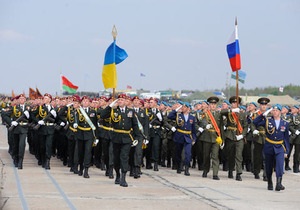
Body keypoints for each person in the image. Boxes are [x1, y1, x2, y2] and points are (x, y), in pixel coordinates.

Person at [253, 104, 290, 191]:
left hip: (279, 147)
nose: (274, 112)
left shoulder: (285, 123)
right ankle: (270, 182)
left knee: (280, 165)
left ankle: (279, 183)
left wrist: (286, 151)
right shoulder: (267, 121)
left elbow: (286, 139)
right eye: (273, 110)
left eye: (276, 110)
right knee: (269, 166)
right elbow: (255, 122)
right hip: (269, 146)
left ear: (280, 112)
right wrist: (263, 114)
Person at [108, 94, 142, 187]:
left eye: (122, 100)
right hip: (116, 137)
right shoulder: (113, 110)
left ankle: (123, 177)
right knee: (116, 159)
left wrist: (137, 138)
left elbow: (135, 125)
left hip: (127, 138)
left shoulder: (131, 111)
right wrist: (110, 106)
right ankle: (117, 175)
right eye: (119, 100)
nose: (120, 101)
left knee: (124, 157)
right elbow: (103, 115)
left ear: (126, 101)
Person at [220, 96, 247, 181]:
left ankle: (238, 173)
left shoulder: (242, 113)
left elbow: (245, 126)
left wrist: (242, 135)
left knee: (239, 155)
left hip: (239, 136)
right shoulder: (228, 112)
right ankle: (231, 170)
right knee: (230, 155)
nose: (235, 104)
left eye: (236, 103)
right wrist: (231, 110)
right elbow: (221, 112)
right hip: (230, 135)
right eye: (233, 103)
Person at [2, 94, 31, 169]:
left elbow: (34, 118)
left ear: (25, 100)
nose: (21, 100)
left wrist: (29, 116)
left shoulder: (28, 108)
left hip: (24, 128)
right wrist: (11, 122)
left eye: (23, 98)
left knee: (22, 145)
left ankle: (20, 161)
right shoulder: (14, 108)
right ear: (18, 100)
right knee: (16, 145)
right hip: (16, 129)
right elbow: (4, 115)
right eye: (20, 98)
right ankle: (16, 159)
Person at [167, 102, 196, 176]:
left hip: (188, 137)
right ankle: (179, 167)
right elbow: (169, 116)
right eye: (182, 107)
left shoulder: (192, 117)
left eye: (184, 107)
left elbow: (193, 129)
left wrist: (194, 139)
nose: (182, 108)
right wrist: (176, 109)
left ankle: (186, 169)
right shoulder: (178, 115)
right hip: (179, 136)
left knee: (188, 154)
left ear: (188, 108)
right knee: (178, 153)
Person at [198, 96, 222, 180]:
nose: (213, 106)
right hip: (207, 137)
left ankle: (215, 174)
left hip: (216, 137)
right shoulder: (205, 113)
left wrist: (222, 138)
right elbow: (202, 121)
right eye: (211, 104)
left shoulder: (219, 114)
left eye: (214, 104)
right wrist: (205, 125)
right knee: (206, 156)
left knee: (215, 156)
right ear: (209, 105)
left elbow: (221, 127)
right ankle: (205, 170)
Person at [32, 93, 57, 170]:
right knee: (42, 146)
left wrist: (55, 115)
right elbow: (32, 115)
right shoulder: (40, 108)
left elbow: (56, 119)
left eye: (46, 98)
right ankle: (42, 160)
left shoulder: (53, 109)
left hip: (50, 129)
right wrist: (38, 121)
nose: (44, 99)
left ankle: (47, 161)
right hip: (42, 129)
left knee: (48, 145)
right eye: (44, 98)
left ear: (50, 100)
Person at [288, 105, 300, 173]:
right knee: (288, 152)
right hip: (291, 136)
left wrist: (298, 131)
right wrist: (294, 131)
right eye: (292, 108)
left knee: (297, 153)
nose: (292, 109)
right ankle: (286, 165)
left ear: (297, 110)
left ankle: (296, 167)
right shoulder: (289, 117)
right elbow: (288, 125)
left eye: (293, 108)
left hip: (298, 137)